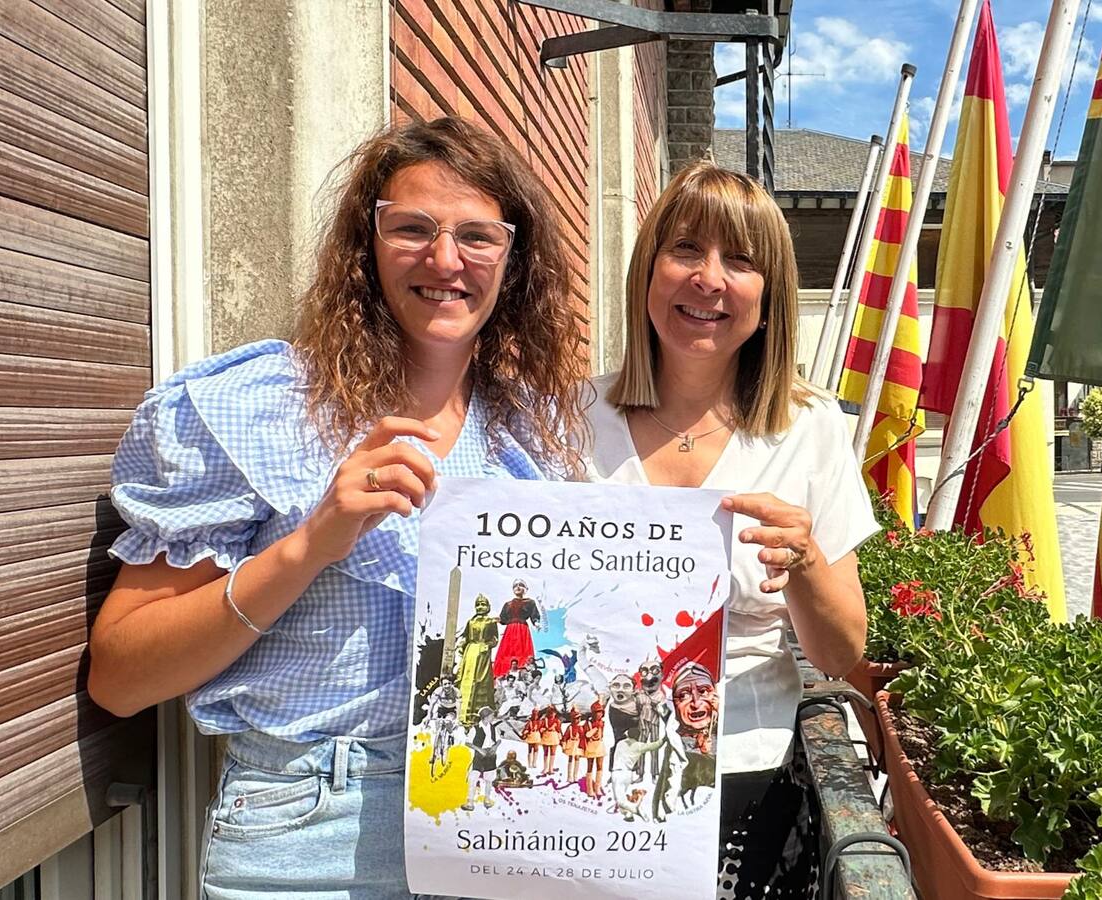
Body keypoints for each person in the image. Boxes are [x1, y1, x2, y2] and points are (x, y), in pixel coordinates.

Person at [85, 116, 588, 899]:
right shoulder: (259, 410)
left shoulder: (534, 435)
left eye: (477, 236)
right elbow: (120, 677)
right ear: (366, 244)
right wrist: (312, 542)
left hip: (502, 817)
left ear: (513, 261)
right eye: (412, 228)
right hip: (309, 831)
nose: (445, 260)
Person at [582, 161, 876, 899]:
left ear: (769, 297)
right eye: (685, 249)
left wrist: (804, 560)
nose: (708, 278)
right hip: (591, 768)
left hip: (748, 774)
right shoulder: (568, 419)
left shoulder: (810, 428)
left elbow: (840, 653)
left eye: (739, 260)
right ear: (647, 272)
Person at [457, 594, 499, 726]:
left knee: (480, 680)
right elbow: (466, 636)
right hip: (470, 652)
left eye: (483, 604)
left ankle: (478, 715)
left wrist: (487, 645)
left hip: (482, 654)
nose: (480, 607)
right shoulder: (471, 621)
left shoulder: (491, 622)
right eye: (478, 605)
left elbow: (495, 639)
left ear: (488, 607)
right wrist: (462, 644)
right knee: (466, 679)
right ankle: (462, 714)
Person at [493, 578, 540, 676]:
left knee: (522, 652)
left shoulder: (530, 602)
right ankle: (503, 674)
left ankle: (523, 674)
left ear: (525, 589)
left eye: (521, 585)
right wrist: (498, 620)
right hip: (510, 631)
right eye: (515, 586)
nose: (518, 587)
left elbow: (534, 615)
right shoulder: (508, 604)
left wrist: (536, 622)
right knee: (507, 652)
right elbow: (503, 619)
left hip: (522, 630)